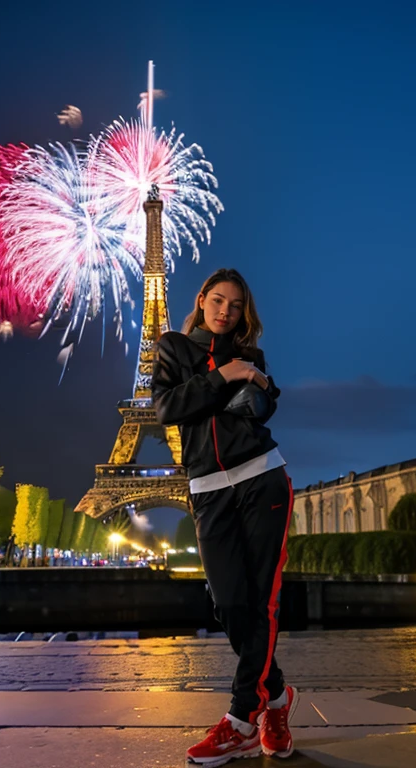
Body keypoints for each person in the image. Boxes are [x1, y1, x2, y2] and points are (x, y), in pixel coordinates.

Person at [152, 268, 298, 766]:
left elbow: (264, 407)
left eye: (235, 306)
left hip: (262, 479)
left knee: (262, 603)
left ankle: (241, 720)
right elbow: (166, 409)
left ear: (243, 312)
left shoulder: (250, 354)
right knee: (231, 605)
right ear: (201, 299)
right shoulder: (173, 347)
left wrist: (253, 380)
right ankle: (276, 699)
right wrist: (223, 377)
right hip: (209, 490)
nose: (225, 312)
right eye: (218, 300)